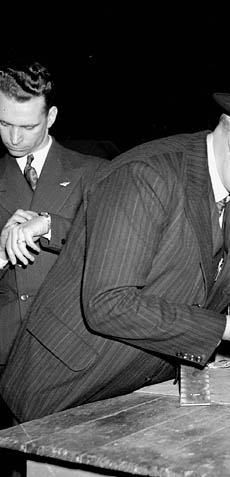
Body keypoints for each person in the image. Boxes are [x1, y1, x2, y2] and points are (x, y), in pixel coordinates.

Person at [0, 62, 230, 422]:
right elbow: (109, 304)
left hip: (122, 395)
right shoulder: (147, 176)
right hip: (57, 397)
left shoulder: (225, 199)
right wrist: (228, 330)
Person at [0, 59, 105, 379]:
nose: (15, 138)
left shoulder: (94, 172)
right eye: (4, 123)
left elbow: (111, 249)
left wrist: (49, 223)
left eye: (28, 126)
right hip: (5, 354)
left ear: (52, 117)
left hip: (71, 351)